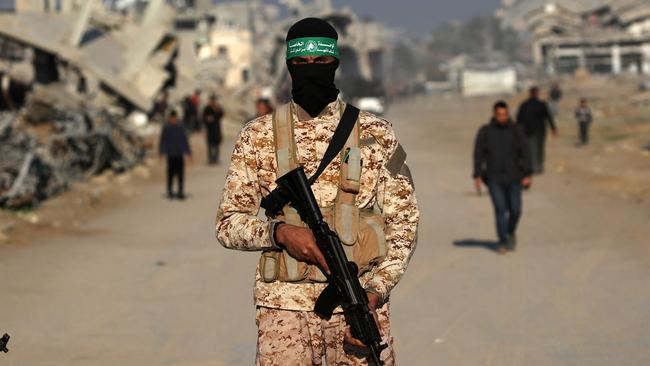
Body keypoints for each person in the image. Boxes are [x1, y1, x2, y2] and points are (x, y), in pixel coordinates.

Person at [215, 17, 419, 365]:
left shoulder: (376, 133)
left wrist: (376, 289)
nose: (312, 70)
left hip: (358, 305)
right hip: (283, 308)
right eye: (301, 63)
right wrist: (279, 232)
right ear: (289, 65)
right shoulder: (257, 135)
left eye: (321, 62)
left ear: (335, 63)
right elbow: (228, 224)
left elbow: (403, 223)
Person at [474, 101, 533, 254]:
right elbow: (478, 154)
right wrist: (477, 175)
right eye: (499, 114)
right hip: (494, 179)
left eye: (505, 114)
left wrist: (528, 173)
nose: (502, 117)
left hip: (515, 178)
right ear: (494, 114)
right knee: (500, 210)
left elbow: (526, 153)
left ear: (508, 114)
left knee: (516, 210)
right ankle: (502, 241)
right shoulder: (485, 131)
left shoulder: (516, 130)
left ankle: (510, 232)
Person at [516, 86, 557, 174]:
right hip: (539, 131)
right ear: (537, 93)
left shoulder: (524, 105)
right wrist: (553, 128)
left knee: (531, 149)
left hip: (529, 131)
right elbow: (548, 117)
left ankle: (535, 167)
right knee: (539, 148)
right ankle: (538, 167)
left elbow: (519, 119)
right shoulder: (541, 104)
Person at [159, 110, 192, 199]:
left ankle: (180, 192)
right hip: (171, 154)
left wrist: (188, 152)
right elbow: (162, 140)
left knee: (180, 174)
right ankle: (170, 192)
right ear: (170, 119)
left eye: (175, 118)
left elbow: (184, 140)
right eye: (172, 118)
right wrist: (161, 152)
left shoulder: (180, 127)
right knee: (170, 174)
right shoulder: (166, 128)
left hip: (179, 154)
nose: (173, 120)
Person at [202, 94, 224, 164]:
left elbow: (221, 115)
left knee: (216, 145)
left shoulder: (218, 108)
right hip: (210, 129)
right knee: (210, 145)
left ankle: (216, 159)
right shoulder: (207, 108)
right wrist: (208, 119)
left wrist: (217, 110)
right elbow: (203, 118)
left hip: (217, 129)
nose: (213, 102)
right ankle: (210, 159)